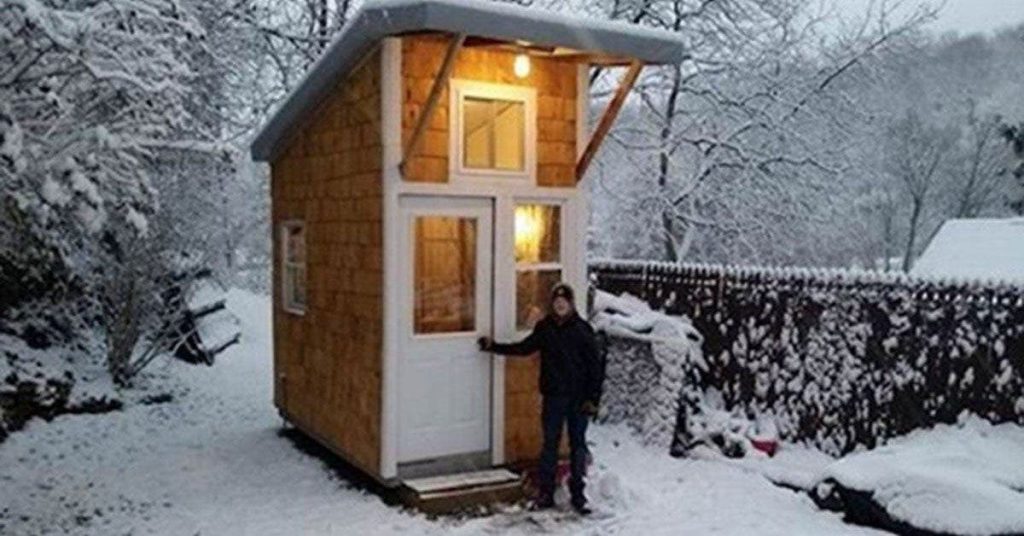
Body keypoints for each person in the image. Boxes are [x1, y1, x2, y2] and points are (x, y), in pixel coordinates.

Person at [478, 283, 604, 514]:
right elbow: (524, 348)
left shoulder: (583, 330)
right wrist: (493, 346)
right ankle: (546, 494)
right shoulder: (545, 328)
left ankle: (579, 495)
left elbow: (596, 369)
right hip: (553, 397)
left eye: (564, 301)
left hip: (578, 400)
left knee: (578, 446)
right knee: (549, 445)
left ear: (571, 303)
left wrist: (593, 399)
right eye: (556, 301)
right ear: (552, 304)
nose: (560, 305)